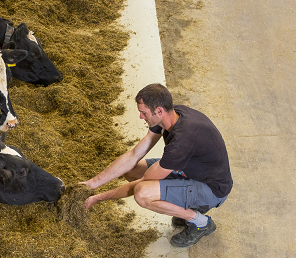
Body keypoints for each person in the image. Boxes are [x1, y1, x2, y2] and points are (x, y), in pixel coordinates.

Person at [81, 83, 232, 247]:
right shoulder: (170, 115)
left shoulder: (182, 140)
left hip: (212, 189)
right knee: (132, 170)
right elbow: (133, 155)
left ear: (159, 110)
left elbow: (141, 183)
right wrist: (91, 184)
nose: (140, 117)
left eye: (143, 112)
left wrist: (97, 198)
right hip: (188, 171)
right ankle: (184, 207)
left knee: (142, 193)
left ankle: (201, 222)